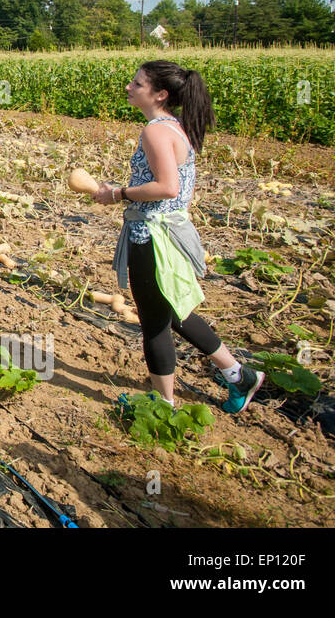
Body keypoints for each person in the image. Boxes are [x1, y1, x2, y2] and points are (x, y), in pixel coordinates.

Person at [96, 61, 263, 413]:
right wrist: (123, 190)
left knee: (155, 324)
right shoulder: (174, 127)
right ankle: (238, 374)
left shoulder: (155, 131)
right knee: (174, 312)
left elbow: (167, 187)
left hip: (152, 238)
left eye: (137, 83)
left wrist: (119, 194)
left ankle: (163, 405)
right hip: (169, 233)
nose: (129, 87)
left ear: (160, 94)